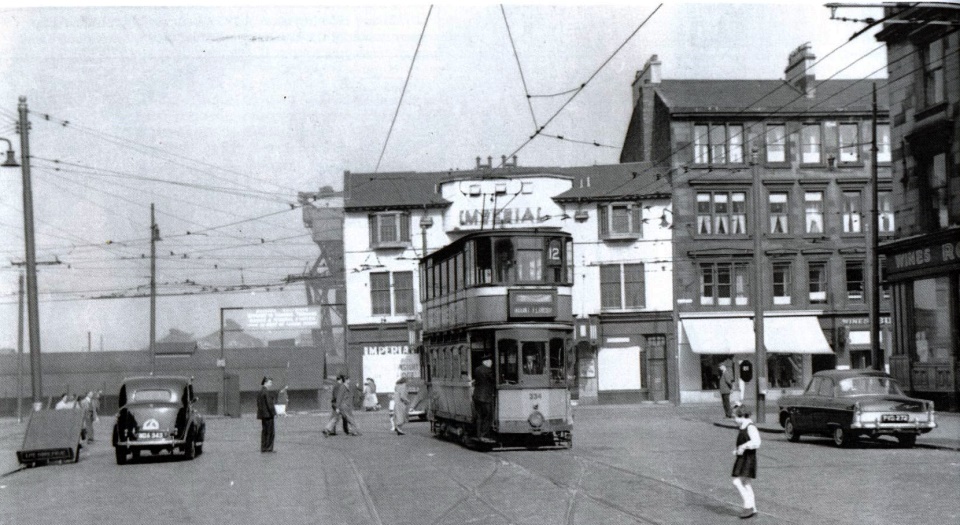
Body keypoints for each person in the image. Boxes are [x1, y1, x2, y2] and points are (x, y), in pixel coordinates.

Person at [731, 404, 761, 519]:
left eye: (735, 417)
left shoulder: (750, 427)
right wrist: (738, 449)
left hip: (748, 458)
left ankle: (748, 505)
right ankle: (753, 507)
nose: (734, 420)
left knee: (737, 481)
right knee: (746, 483)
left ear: (742, 415)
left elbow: (756, 442)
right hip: (744, 458)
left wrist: (743, 447)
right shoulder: (743, 426)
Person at [472, 355, 495, 443]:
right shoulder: (488, 370)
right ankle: (484, 435)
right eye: (490, 362)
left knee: (479, 417)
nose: (491, 363)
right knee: (488, 416)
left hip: (477, 396)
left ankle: (479, 435)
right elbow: (493, 380)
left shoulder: (477, 369)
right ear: (486, 362)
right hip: (485, 397)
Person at [256, 377, 277, 452]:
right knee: (270, 432)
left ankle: (264, 447)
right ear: (265, 383)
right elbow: (269, 404)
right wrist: (274, 413)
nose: (271, 384)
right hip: (268, 415)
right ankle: (269, 448)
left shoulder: (260, 392)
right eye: (270, 382)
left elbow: (258, 404)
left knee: (264, 432)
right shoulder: (266, 392)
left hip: (263, 415)